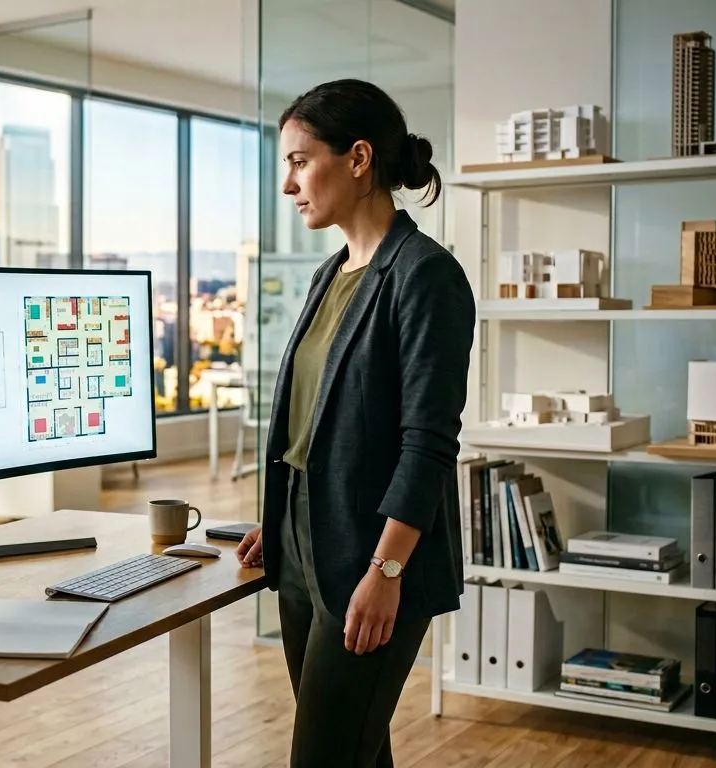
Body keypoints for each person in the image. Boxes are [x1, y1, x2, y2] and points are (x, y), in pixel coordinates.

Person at [233, 79, 475, 767]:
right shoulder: (331, 273)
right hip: (305, 546)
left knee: (324, 757)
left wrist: (388, 569)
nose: (289, 184)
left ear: (359, 158)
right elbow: (314, 423)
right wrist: (279, 518)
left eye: (300, 160)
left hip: (375, 554)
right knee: (357, 752)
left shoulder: (426, 276)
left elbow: (428, 442)